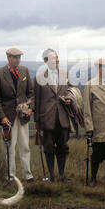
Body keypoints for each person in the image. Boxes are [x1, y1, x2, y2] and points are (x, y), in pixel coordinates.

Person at [0, 48, 34, 182]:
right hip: (7, 117)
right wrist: (2, 116)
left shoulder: (24, 70)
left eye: (19, 57)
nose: (17, 60)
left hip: (23, 116)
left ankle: (28, 175)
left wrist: (30, 109)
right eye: (15, 57)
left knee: (25, 147)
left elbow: (31, 93)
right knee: (10, 147)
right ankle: (11, 176)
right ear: (8, 58)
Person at [33, 49, 72, 183]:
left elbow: (71, 91)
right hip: (47, 118)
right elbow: (36, 100)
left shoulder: (65, 74)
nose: (56, 60)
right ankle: (51, 176)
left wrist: (69, 99)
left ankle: (61, 175)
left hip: (63, 118)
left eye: (57, 58)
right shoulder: (39, 77)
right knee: (48, 147)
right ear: (45, 61)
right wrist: (37, 120)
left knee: (63, 147)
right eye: (53, 58)